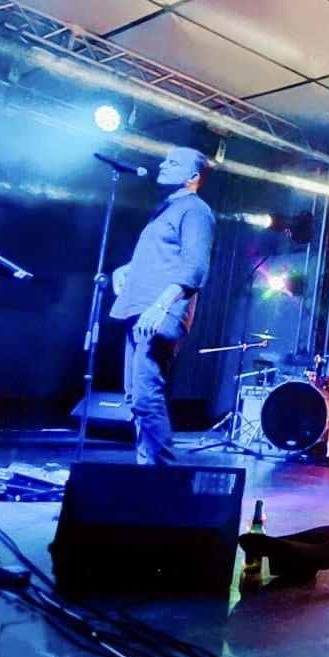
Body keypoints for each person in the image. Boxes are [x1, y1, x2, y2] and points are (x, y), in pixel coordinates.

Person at [110, 147, 215, 465]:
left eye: (173, 163)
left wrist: (160, 306)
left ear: (192, 176)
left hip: (159, 310)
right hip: (139, 307)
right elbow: (162, 257)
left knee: (146, 397)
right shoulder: (165, 210)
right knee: (135, 399)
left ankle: (162, 478)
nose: (163, 165)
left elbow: (195, 267)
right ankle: (147, 473)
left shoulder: (196, 210)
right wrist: (126, 269)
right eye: (166, 160)